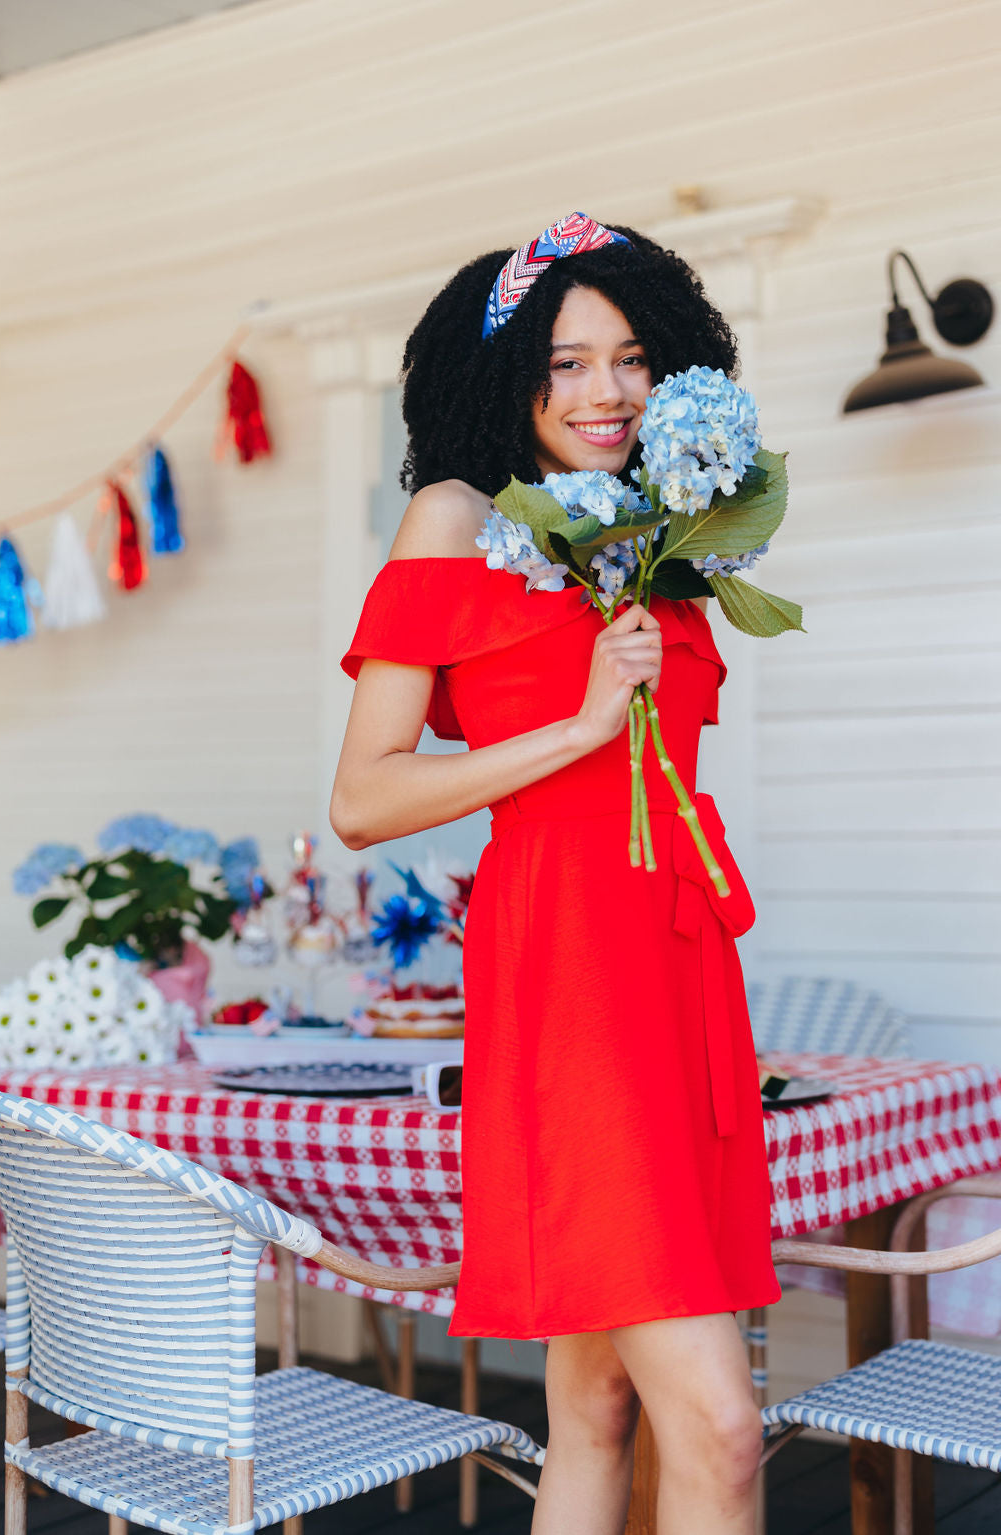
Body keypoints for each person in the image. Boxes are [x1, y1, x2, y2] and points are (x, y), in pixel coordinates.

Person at [331, 213, 780, 1535]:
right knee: (728, 1428)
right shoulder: (453, 520)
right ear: (508, 378)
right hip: (567, 972)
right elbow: (364, 797)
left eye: (632, 360)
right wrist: (578, 725)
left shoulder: (669, 536)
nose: (605, 393)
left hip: (680, 962)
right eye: (565, 363)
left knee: (595, 1408)